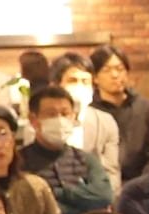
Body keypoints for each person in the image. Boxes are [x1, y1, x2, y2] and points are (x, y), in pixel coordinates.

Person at [20, 85, 116, 214]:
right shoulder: (20, 161)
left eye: (65, 114)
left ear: (73, 117)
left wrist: (57, 192)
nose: (59, 120)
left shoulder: (86, 159)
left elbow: (104, 197)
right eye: (51, 114)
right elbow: (35, 208)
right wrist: (84, 207)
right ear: (34, 120)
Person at [52, 52, 124, 190]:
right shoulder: (46, 122)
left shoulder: (105, 122)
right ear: (56, 85)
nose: (80, 87)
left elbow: (111, 172)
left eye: (85, 81)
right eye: (72, 80)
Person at [90, 45, 149, 181]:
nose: (115, 75)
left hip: (141, 185)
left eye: (120, 69)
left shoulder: (146, 108)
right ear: (95, 77)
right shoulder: (89, 112)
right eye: (107, 70)